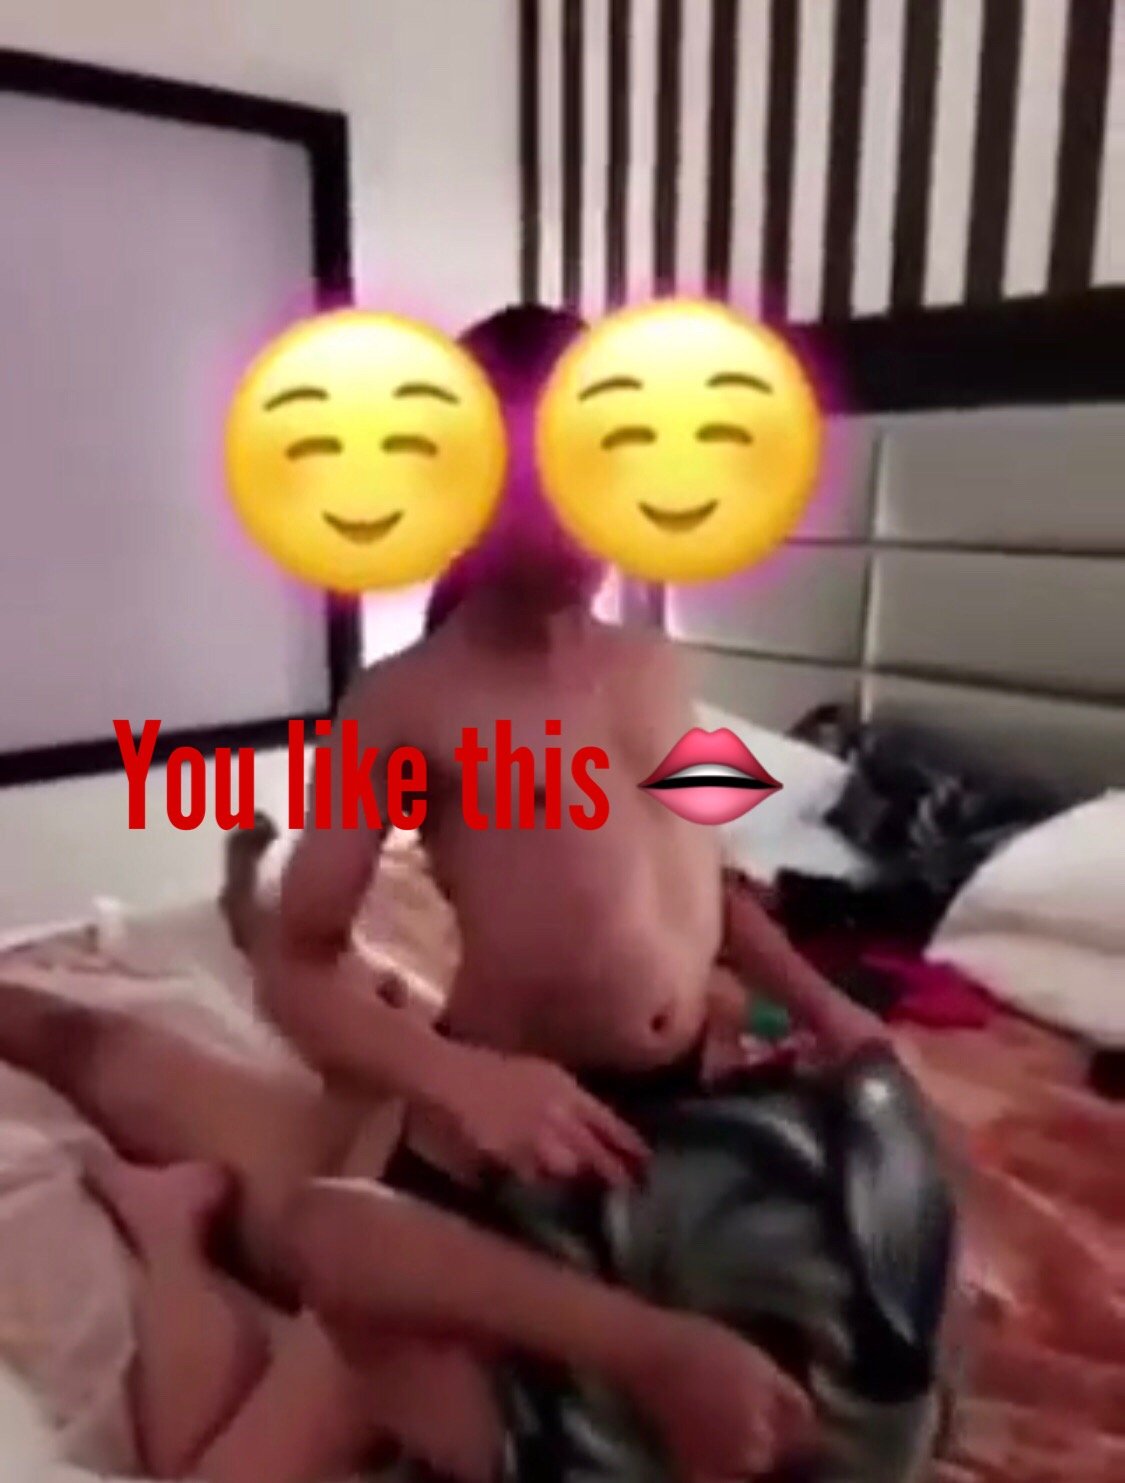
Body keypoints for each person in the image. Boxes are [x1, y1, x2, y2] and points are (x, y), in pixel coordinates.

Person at [0, 304, 890, 1482]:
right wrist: (467, 1081)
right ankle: (171, 1227)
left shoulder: (660, 664)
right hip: (479, 1159)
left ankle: (250, 948)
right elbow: (301, 963)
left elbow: (712, 879)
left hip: (661, 1132)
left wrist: (819, 1003)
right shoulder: (407, 700)